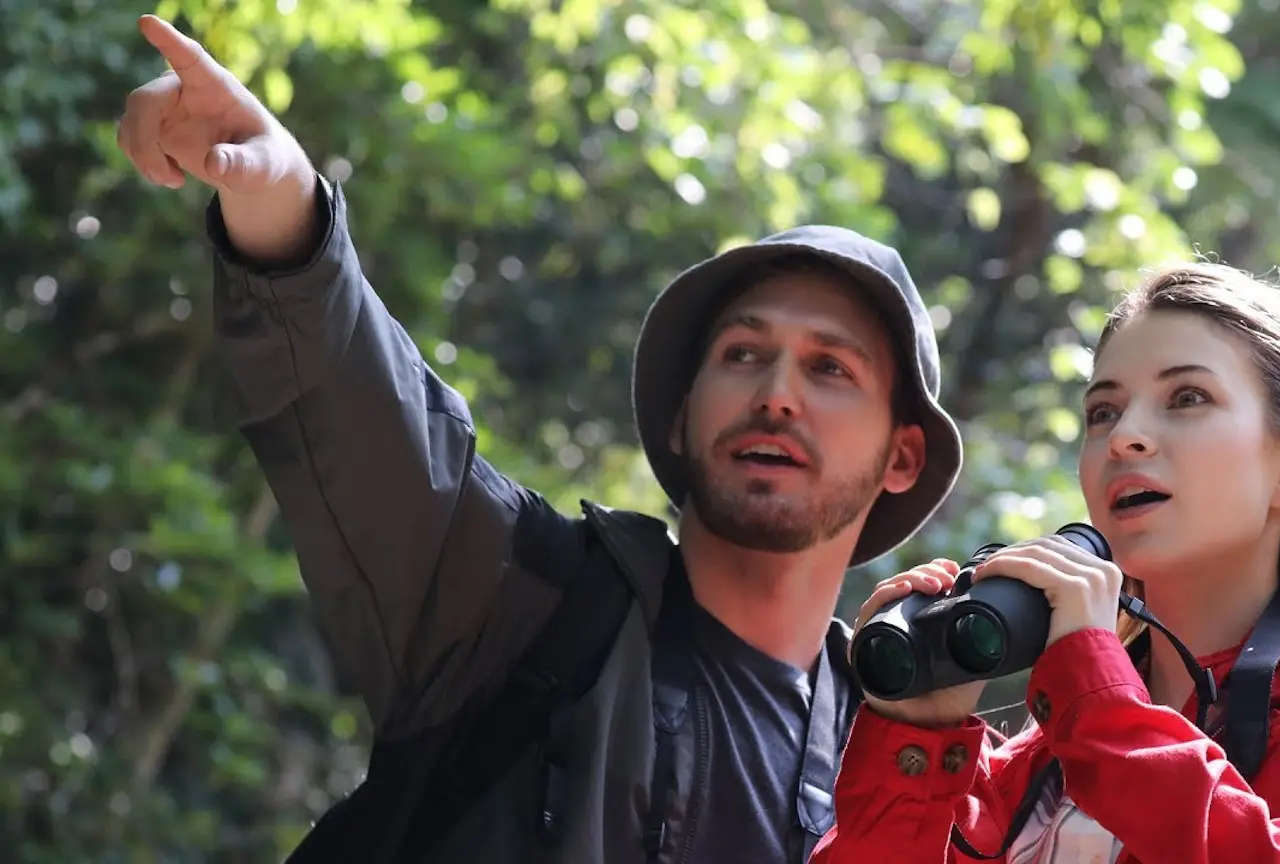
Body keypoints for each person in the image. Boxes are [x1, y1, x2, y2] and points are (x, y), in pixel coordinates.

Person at [116, 13, 965, 864]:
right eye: (743, 354)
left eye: (830, 371)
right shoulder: (523, 606)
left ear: (903, 457)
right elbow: (366, 412)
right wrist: (282, 205)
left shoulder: (891, 749)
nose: (776, 395)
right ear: (681, 413)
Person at [812, 263, 1280, 863]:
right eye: (1102, 411)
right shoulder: (1037, 760)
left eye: (1187, 398)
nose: (1125, 436)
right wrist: (918, 742)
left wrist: (1097, 701)